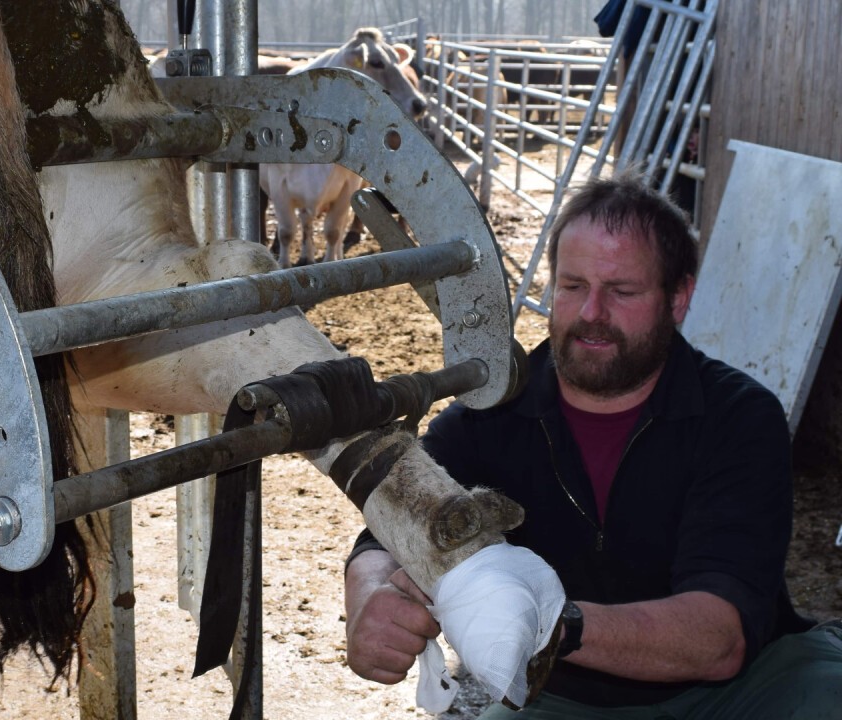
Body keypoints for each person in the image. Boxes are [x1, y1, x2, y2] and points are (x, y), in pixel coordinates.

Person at [343, 174, 842, 718]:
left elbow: (720, 638)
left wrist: (552, 622)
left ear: (678, 298)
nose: (590, 314)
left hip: (745, 690)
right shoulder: (491, 414)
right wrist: (369, 597)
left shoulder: (738, 416)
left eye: (622, 291)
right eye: (572, 286)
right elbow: (388, 526)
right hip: (569, 696)